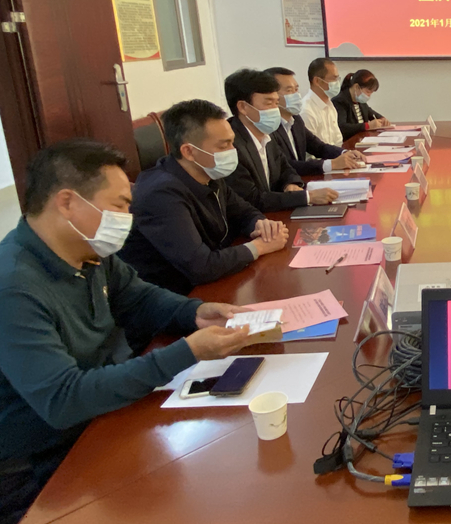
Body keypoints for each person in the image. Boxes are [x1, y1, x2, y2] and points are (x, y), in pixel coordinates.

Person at [0, 140, 253, 522]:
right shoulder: (14, 287)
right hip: (44, 462)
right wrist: (187, 352)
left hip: (106, 411)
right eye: (119, 205)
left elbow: (137, 296)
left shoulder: (87, 249)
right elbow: (64, 399)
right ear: (67, 202)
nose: (127, 218)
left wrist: (195, 311)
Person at [119, 100, 289, 295]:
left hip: (216, 281)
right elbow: (200, 266)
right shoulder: (160, 195)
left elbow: (244, 211)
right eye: (224, 145)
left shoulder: (208, 172)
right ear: (189, 151)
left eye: (232, 142)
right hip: (177, 297)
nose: (233, 151)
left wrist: (260, 225)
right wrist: (259, 246)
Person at [223, 68, 338, 212]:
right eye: (268, 103)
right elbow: (252, 199)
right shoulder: (230, 146)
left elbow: (285, 168)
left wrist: (290, 184)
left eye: (276, 103)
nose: (275, 109)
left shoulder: (266, 134)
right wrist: (307, 197)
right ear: (243, 107)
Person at [264, 67, 366, 174]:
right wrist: (331, 164)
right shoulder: (269, 126)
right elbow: (285, 165)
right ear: (272, 96)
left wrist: (344, 153)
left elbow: (318, 147)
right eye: (289, 90)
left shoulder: (295, 119)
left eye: (296, 89)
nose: (295, 94)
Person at [332, 69, 390, 139]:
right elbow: (342, 127)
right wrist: (367, 126)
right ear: (356, 87)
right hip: (349, 141)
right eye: (368, 92)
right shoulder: (340, 101)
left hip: (362, 139)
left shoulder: (360, 101)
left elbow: (370, 112)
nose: (369, 95)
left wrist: (382, 118)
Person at [301, 57, 344, 147]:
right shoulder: (306, 111)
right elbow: (311, 149)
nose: (337, 83)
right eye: (333, 79)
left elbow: (338, 141)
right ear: (317, 81)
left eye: (337, 79)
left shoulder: (329, 104)